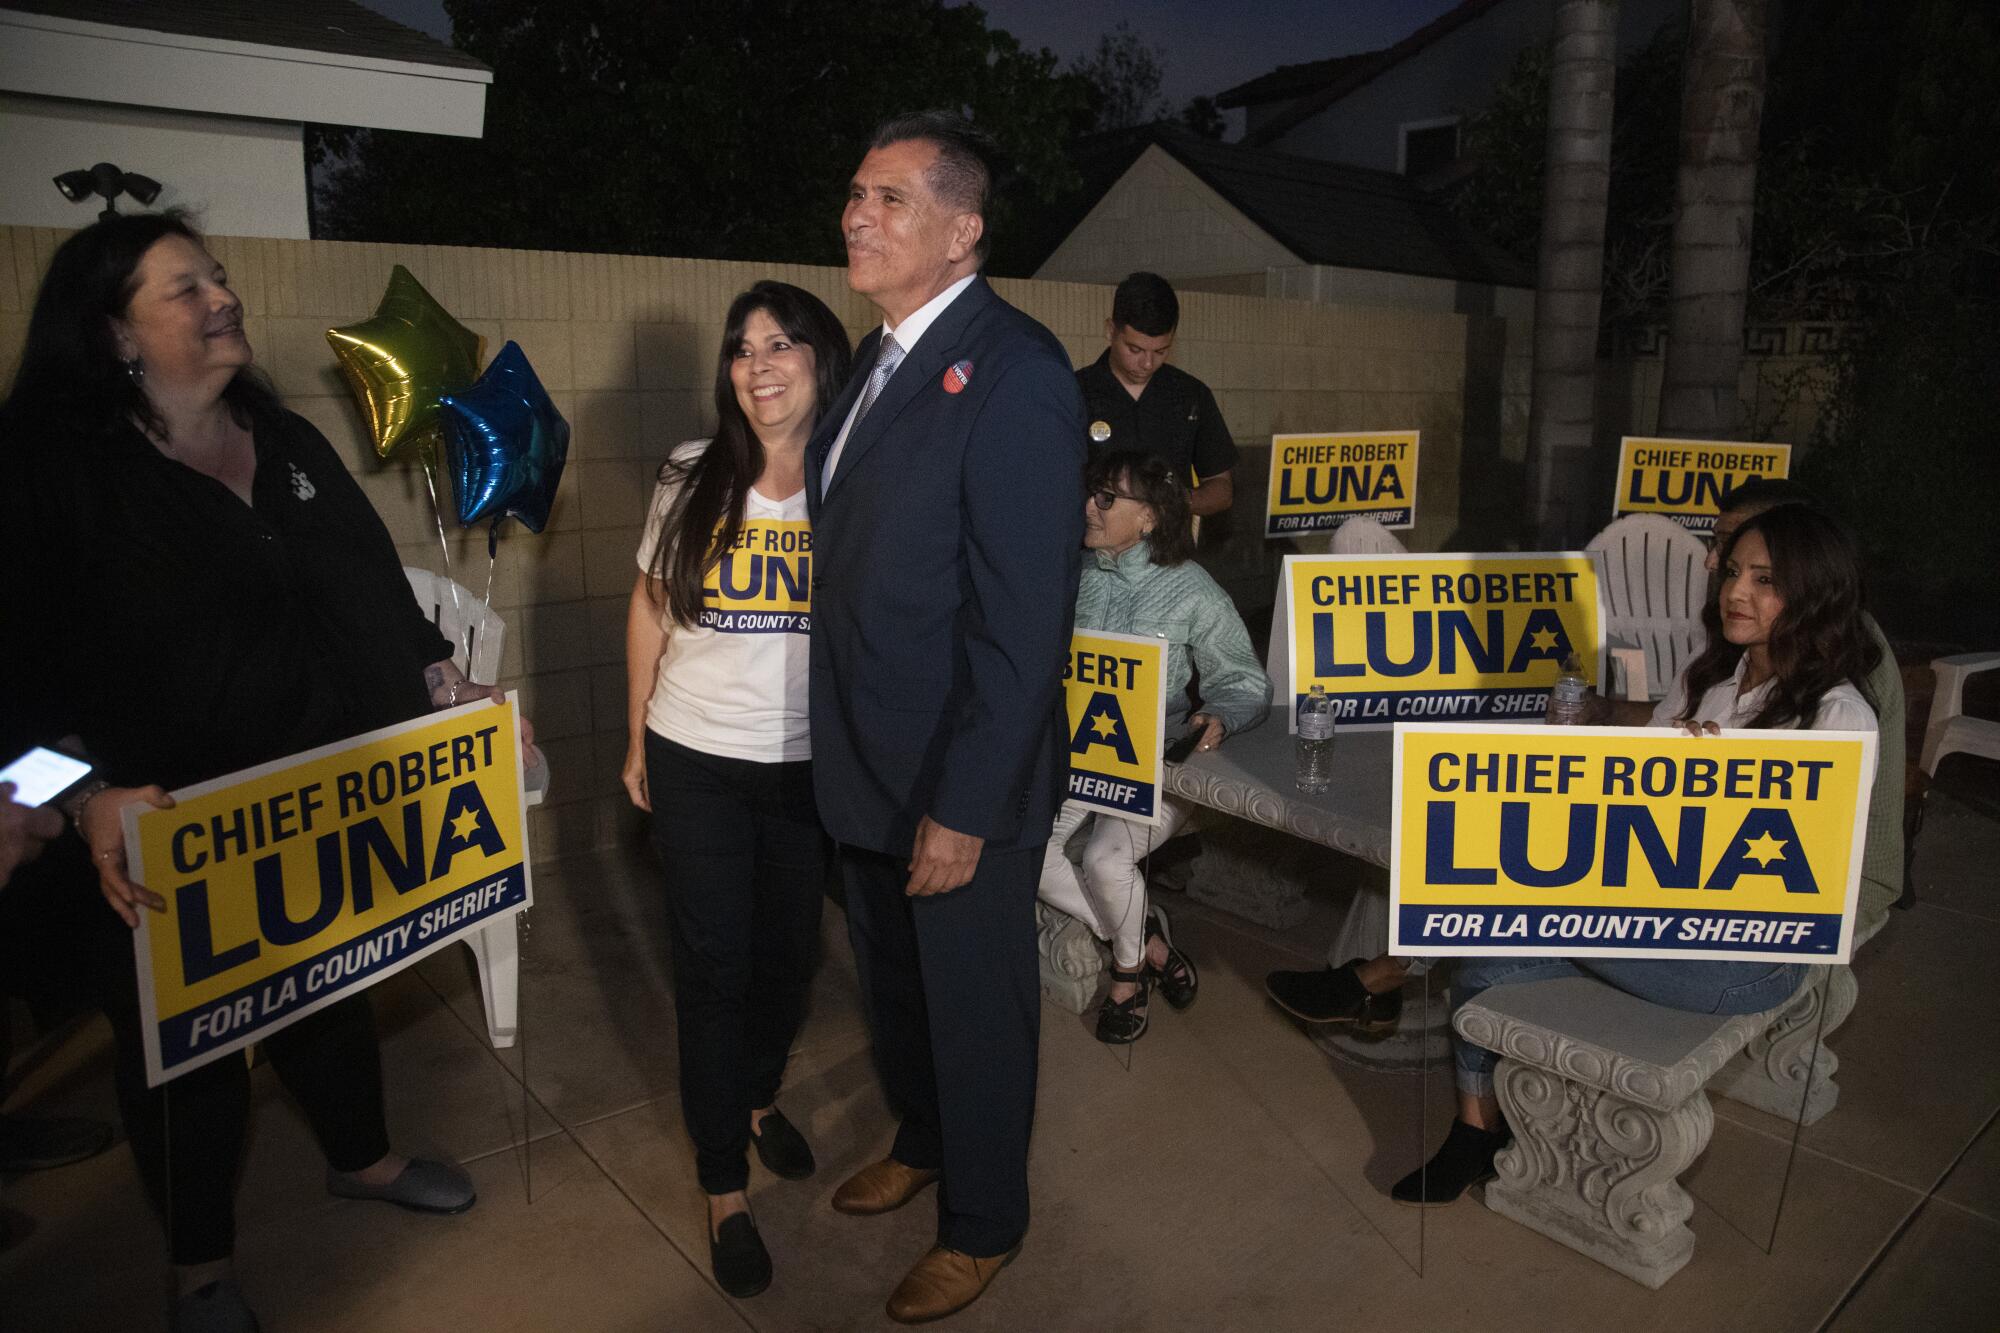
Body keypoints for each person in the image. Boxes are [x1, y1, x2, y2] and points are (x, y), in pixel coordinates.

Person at [0, 211, 525, 1332]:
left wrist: (443, 689)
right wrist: (83, 798)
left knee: (329, 986)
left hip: (317, 799)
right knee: (183, 1056)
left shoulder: (283, 442)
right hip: (159, 834)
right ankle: (200, 1269)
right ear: (114, 333)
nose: (220, 298)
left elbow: (378, 603)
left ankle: (363, 1158)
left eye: (218, 277)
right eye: (183, 288)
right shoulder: (52, 478)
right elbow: (12, 697)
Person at [1387, 502, 1880, 1205]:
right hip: (1653, 909)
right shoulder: (1713, 672)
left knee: (1498, 908)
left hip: (1742, 954)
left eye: (1766, 580)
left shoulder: (1837, 715)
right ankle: (1477, 1128)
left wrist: (1729, 790)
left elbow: (1817, 878)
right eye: (1735, 571)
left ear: (1814, 592)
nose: (1736, 592)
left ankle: (1380, 976)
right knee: (1481, 957)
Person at [806, 112, 1085, 1324]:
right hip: (867, 758)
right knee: (900, 990)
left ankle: (983, 1221)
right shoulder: (872, 360)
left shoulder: (1015, 371)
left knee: (973, 1005)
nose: (857, 216)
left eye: (889, 200)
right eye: (856, 195)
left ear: (962, 231)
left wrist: (965, 809)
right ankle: (922, 1140)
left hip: (962, 773)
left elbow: (1024, 626)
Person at [621, 280, 852, 1299]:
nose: (757, 365)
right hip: (697, 755)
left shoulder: (854, 478)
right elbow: (647, 604)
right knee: (714, 968)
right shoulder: (689, 472)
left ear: (820, 361)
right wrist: (634, 736)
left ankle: (756, 1098)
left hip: (809, 768)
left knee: (789, 957)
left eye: (781, 344)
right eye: (741, 348)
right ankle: (723, 1183)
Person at [1038, 450, 1269, 1044]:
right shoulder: (1075, 577)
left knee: (1104, 861)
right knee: (1032, 859)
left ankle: (1127, 975)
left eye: (1107, 498)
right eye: (1091, 492)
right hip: (1081, 758)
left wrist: (1220, 714)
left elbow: (1244, 679)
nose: (1090, 506)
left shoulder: (1192, 590)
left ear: (1148, 519)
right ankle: (1148, 944)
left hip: (1159, 761)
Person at [1075, 272, 1237, 517]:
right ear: (1110, 331)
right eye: (1135, 349)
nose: (1148, 363)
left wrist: (1174, 502)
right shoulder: (1075, 392)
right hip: (1094, 550)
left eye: (1161, 351)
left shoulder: (1191, 395)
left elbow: (1221, 488)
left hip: (1168, 551)